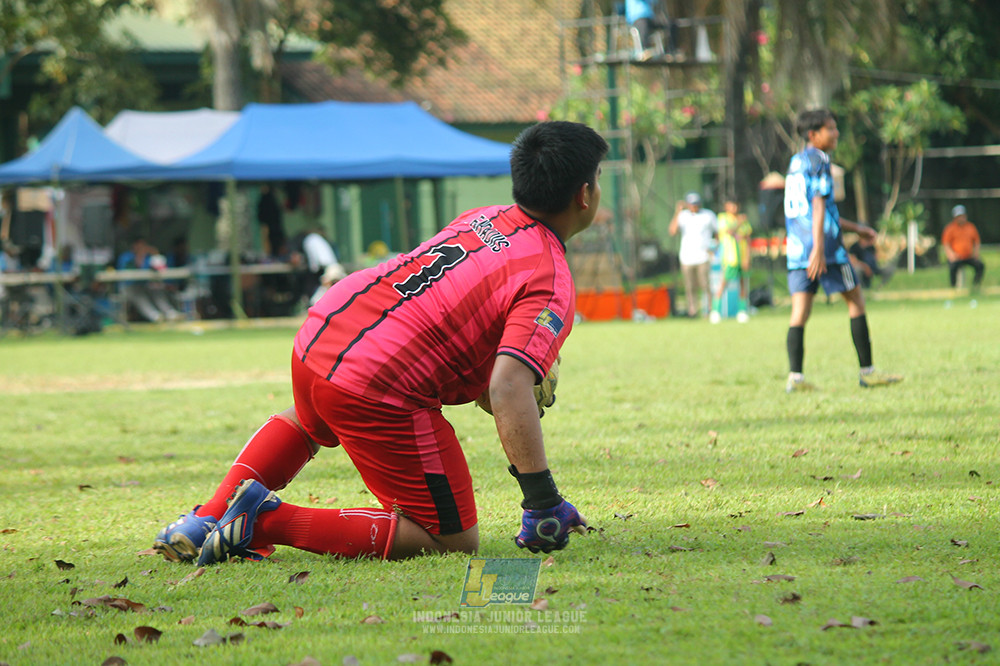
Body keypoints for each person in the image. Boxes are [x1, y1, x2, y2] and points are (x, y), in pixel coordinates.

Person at [152, 121, 606, 566]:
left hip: (324, 331)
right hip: (375, 379)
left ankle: (205, 518)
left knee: (313, 418)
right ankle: (264, 521)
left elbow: (461, 327)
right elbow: (508, 386)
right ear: (584, 195)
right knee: (451, 541)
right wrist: (542, 500)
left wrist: (498, 383)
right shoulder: (550, 276)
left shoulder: (483, 217)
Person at [783, 108, 902, 392]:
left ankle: (795, 379)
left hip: (799, 250)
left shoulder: (796, 162)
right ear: (814, 135)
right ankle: (868, 372)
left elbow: (814, 210)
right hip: (827, 251)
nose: (836, 133)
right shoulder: (821, 160)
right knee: (856, 301)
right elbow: (820, 205)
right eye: (831, 129)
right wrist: (820, 249)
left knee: (799, 313)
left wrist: (857, 229)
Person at [669, 191, 717, 318]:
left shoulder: (708, 215)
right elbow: (672, 231)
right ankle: (693, 311)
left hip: (703, 257)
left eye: (696, 204)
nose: (694, 206)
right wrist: (677, 212)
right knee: (690, 286)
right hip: (687, 257)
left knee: (705, 284)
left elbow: (717, 233)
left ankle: (710, 310)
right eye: (691, 204)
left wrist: (713, 249)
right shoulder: (683, 216)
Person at [116, 236, 182, 323]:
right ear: (134, 246)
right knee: (138, 293)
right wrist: (138, 258)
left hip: (144, 285)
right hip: (128, 287)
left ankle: (170, 312)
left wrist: (155, 253)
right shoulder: (126, 257)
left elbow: (161, 268)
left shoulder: (148, 257)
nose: (141, 248)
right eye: (139, 245)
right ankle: (154, 316)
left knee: (156, 289)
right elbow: (125, 274)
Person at [710, 199, 751, 323]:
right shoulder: (723, 218)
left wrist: (747, 258)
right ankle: (715, 311)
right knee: (724, 283)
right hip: (730, 258)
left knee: (743, 284)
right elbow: (729, 231)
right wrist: (739, 222)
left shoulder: (744, 221)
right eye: (731, 205)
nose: (734, 208)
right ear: (726, 206)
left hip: (742, 257)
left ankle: (742, 311)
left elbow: (747, 238)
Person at [941, 205, 985, 289]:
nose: (961, 218)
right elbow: (946, 244)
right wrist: (951, 255)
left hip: (968, 256)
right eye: (959, 216)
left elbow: (976, 241)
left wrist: (976, 253)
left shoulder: (970, 227)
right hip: (956, 257)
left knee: (980, 265)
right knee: (953, 267)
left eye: (962, 216)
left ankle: (975, 285)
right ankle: (953, 287)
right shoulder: (950, 228)